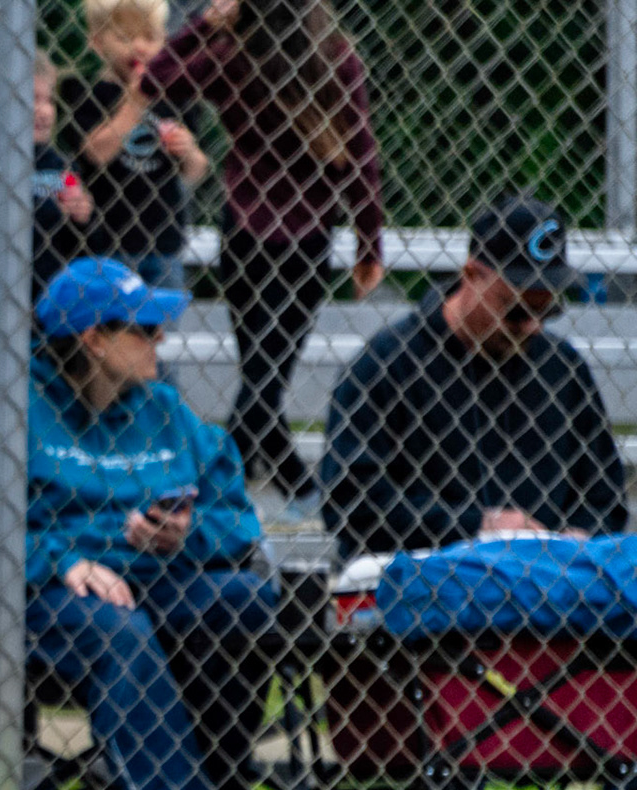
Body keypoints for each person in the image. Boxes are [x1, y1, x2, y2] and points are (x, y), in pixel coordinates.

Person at [0, 259, 276, 790]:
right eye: (143, 329)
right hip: (34, 603)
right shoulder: (6, 410)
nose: (159, 341)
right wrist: (59, 559)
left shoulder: (167, 411)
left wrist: (186, 535)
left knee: (245, 604)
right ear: (93, 338)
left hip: (159, 579)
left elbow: (240, 525)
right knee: (119, 629)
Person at [141, 0, 385, 513]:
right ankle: (262, 487)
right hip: (307, 235)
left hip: (246, 231)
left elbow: (155, 79)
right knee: (265, 375)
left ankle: (246, 486)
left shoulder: (233, 55)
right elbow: (362, 155)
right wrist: (368, 241)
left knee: (262, 375)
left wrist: (203, 25)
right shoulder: (337, 57)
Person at [322, 196, 626, 559]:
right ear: (471, 274)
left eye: (546, 311)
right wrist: (478, 526)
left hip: (544, 585)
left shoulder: (562, 367)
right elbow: (349, 502)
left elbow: (606, 498)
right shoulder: (388, 364)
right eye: (516, 310)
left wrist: (578, 537)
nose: (532, 326)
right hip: (425, 584)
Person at [0, 49, 95, 346]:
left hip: (50, 302)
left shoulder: (57, 165)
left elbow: (82, 239)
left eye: (48, 99)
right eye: (30, 100)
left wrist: (82, 216)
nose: (44, 110)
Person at [62, 0, 210, 292]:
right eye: (125, 37)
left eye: (150, 37)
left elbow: (197, 169)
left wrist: (187, 149)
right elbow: (96, 152)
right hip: (107, 240)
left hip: (163, 240)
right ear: (97, 42)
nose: (139, 47)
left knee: (160, 324)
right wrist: (136, 100)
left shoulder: (175, 97)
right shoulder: (88, 93)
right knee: (114, 325)